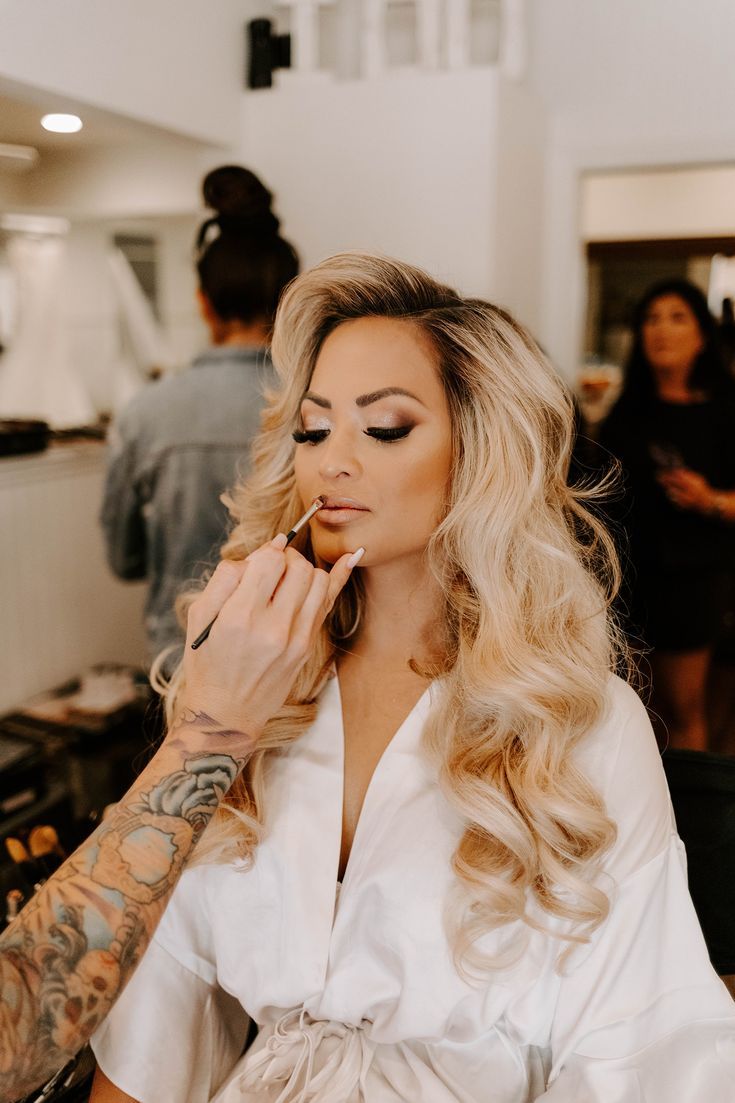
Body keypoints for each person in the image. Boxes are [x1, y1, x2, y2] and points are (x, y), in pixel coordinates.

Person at [83, 254, 733, 1103]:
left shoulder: (580, 722)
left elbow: (638, 1046)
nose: (330, 462)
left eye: (383, 427)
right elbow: (153, 1022)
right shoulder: (252, 695)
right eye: (313, 430)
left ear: (480, 453)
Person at [101, 164, 299, 663]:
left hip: (182, 655)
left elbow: (124, 560)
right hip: (304, 652)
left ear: (203, 302)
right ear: (290, 303)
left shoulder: (146, 413)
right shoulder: (319, 402)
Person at [599, 278, 735, 751]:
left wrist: (709, 499)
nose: (661, 329)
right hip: (630, 582)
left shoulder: (723, 412)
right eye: (652, 319)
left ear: (701, 335)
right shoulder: (626, 412)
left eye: (677, 317)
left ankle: (689, 818)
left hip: (695, 582)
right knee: (634, 712)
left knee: (683, 712)